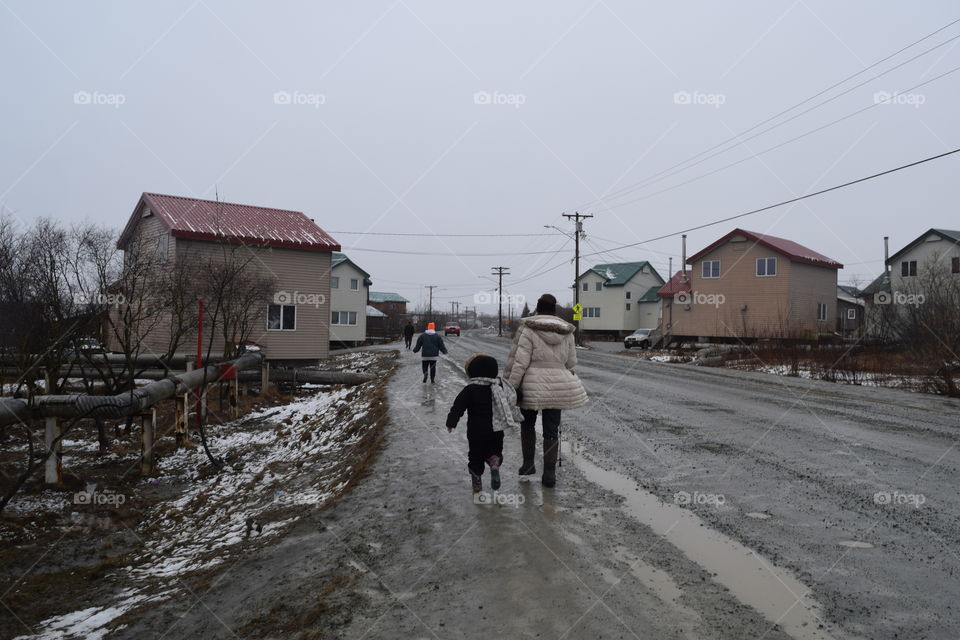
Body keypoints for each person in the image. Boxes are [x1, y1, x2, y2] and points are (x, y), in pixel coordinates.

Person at [504, 293, 588, 488]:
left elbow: (520, 362)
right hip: (557, 386)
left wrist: (512, 386)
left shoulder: (528, 328)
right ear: (554, 310)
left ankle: (528, 465)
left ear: (538, 309)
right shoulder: (567, 331)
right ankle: (549, 474)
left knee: (527, 424)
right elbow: (571, 362)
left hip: (531, 384)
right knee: (551, 429)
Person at [445, 354, 504, 493]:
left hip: (476, 432)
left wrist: (451, 422)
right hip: (496, 430)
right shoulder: (498, 387)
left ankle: (477, 482)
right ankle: (494, 462)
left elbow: (458, 406)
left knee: (475, 456)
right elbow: (513, 396)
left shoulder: (470, 389)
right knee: (494, 451)